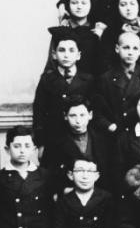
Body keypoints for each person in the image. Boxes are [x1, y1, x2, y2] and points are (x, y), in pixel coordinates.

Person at [33, 27, 95, 157]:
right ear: (54, 54)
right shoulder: (47, 80)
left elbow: (94, 111)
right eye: (62, 50)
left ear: (78, 55)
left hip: (81, 139)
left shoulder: (88, 80)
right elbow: (39, 113)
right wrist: (41, 144)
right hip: (54, 139)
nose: (66, 55)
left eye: (71, 50)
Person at [41, 95, 113, 192]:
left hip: (100, 195)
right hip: (69, 195)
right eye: (73, 116)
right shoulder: (55, 143)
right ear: (65, 116)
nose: (78, 121)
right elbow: (47, 173)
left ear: (90, 115)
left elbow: (111, 172)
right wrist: (61, 189)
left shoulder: (103, 140)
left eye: (82, 115)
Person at [93, 31, 140, 134]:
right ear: (117, 49)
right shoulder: (106, 78)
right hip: (116, 134)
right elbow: (98, 111)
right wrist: (110, 126)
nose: (130, 52)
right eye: (126, 48)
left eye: (135, 48)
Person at [45, 0, 104, 76]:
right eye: (74, 3)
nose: (79, 7)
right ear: (68, 5)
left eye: (84, 3)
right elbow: (51, 63)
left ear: (91, 5)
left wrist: (101, 38)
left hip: (92, 82)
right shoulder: (61, 30)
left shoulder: (96, 31)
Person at [100, 0, 140, 64]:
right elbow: (106, 60)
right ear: (117, 7)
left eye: (132, 4)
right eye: (123, 5)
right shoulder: (110, 31)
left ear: (138, 5)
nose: (128, 8)